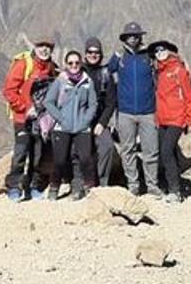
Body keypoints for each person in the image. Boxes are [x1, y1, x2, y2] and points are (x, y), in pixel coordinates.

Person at [107, 21, 162, 198]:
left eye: (136, 35)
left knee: (151, 150)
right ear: (124, 38)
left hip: (148, 112)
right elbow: (107, 77)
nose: (133, 38)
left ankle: (152, 185)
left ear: (140, 37)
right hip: (125, 112)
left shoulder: (149, 57)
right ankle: (133, 185)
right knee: (127, 150)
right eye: (130, 35)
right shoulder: (118, 58)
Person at [1, 37, 56, 202]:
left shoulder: (50, 67)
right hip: (22, 118)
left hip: (41, 120)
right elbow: (9, 91)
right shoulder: (23, 64)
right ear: (35, 47)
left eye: (48, 47)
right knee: (21, 152)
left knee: (38, 153)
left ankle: (33, 187)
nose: (44, 49)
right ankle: (13, 187)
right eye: (41, 46)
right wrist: (25, 108)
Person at [43, 50, 99, 201]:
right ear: (66, 65)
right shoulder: (60, 81)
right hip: (62, 127)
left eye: (77, 63)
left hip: (82, 127)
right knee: (60, 160)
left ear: (81, 64)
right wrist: (61, 118)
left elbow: (93, 104)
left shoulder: (87, 82)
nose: (74, 65)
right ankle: (54, 187)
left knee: (86, 158)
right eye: (70, 63)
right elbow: (48, 102)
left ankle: (89, 188)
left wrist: (86, 120)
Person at [150, 40, 191, 203]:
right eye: (156, 52)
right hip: (163, 119)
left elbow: (190, 96)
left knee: (166, 151)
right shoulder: (159, 72)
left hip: (177, 119)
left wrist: (190, 119)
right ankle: (173, 184)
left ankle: (175, 191)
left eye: (162, 50)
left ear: (170, 51)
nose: (159, 54)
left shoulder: (179, 70)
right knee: (164, 153)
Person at [82, 37, 118, 186]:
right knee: (80, 148)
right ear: (85, 54)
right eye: (90, 52)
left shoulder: (105, 74)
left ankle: (102, 182)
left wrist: (102, 123)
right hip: (80, 121)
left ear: (101, 55)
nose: (93, 55)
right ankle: (83, 181)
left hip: (98, 121)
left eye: (96, 52)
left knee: (107, 146)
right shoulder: (78, 71)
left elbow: (111, 103)